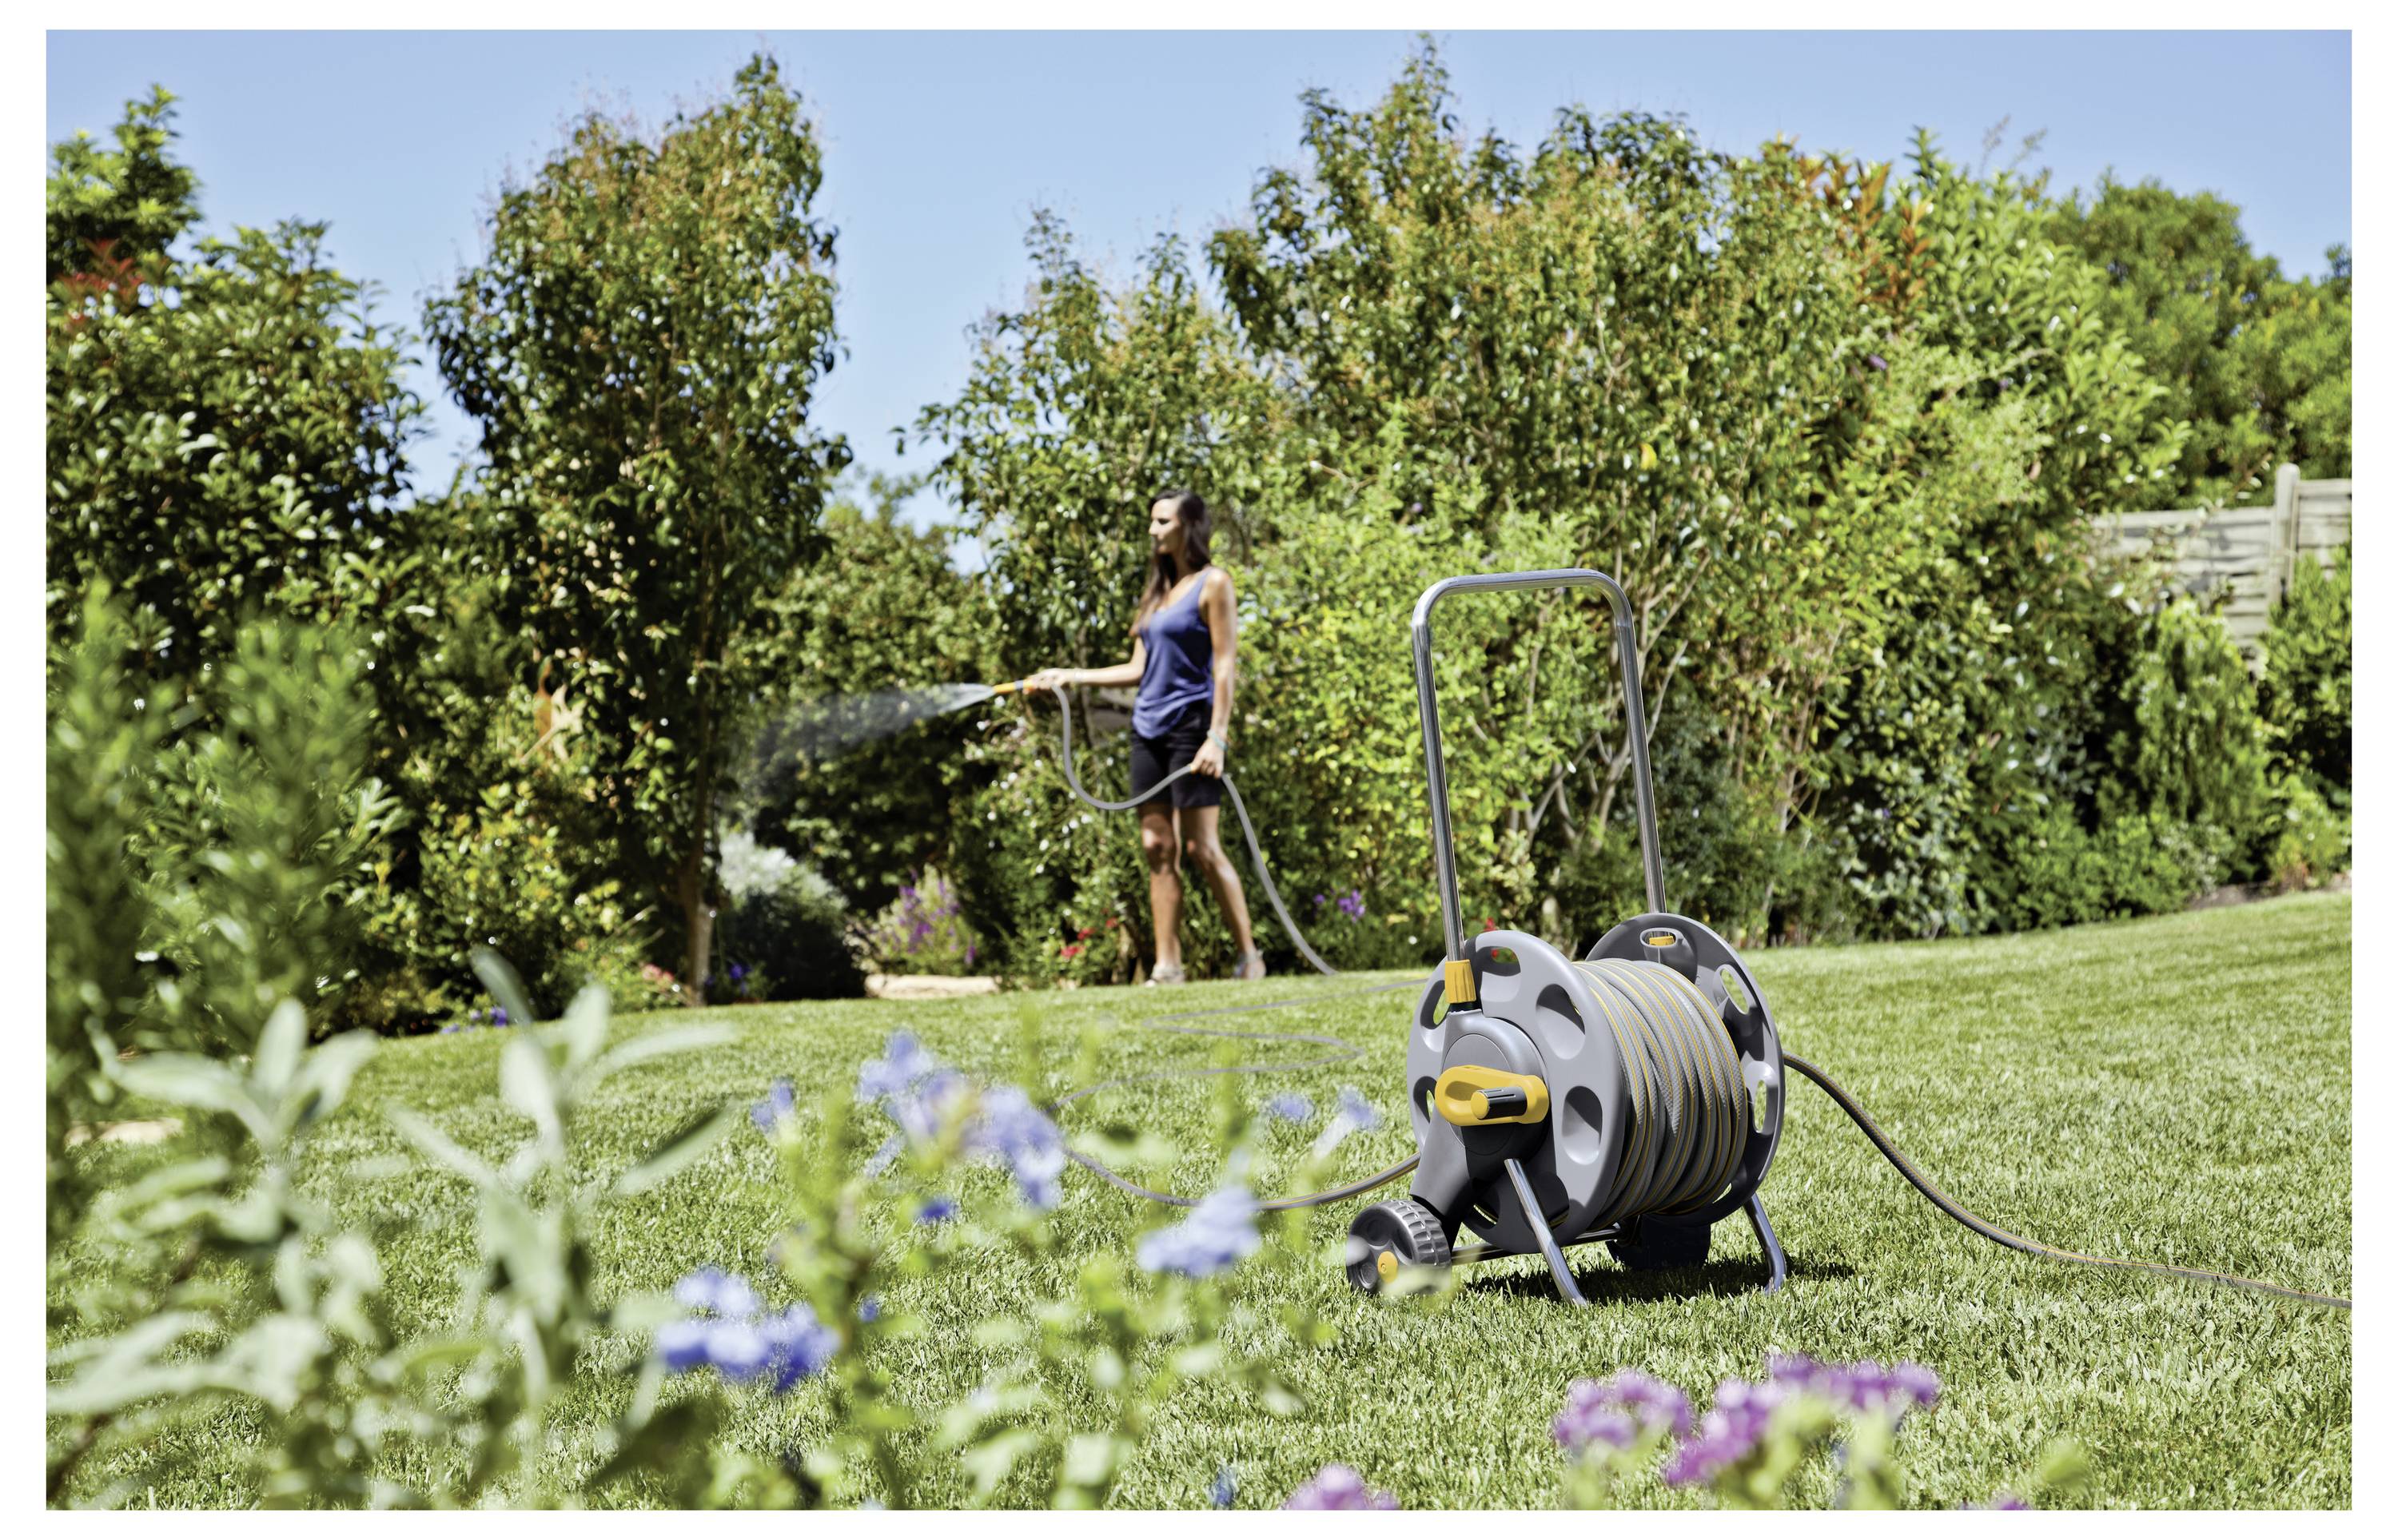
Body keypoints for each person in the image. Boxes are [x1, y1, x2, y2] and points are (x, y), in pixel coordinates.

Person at [1025, 491, 1265, 983]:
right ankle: (1167, 966)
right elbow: (1138, 668)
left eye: (1162, 521)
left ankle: (1250, 956)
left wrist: (1216, 737)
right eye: (1152, 522)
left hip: (1192, 725)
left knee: (1201, 847)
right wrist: (1070, 676)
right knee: (1158, 846)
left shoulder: (1213, 583)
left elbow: (1224, 665)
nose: (1153, 530)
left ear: (1188, 526)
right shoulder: (1155, 594)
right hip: (1147, 728)